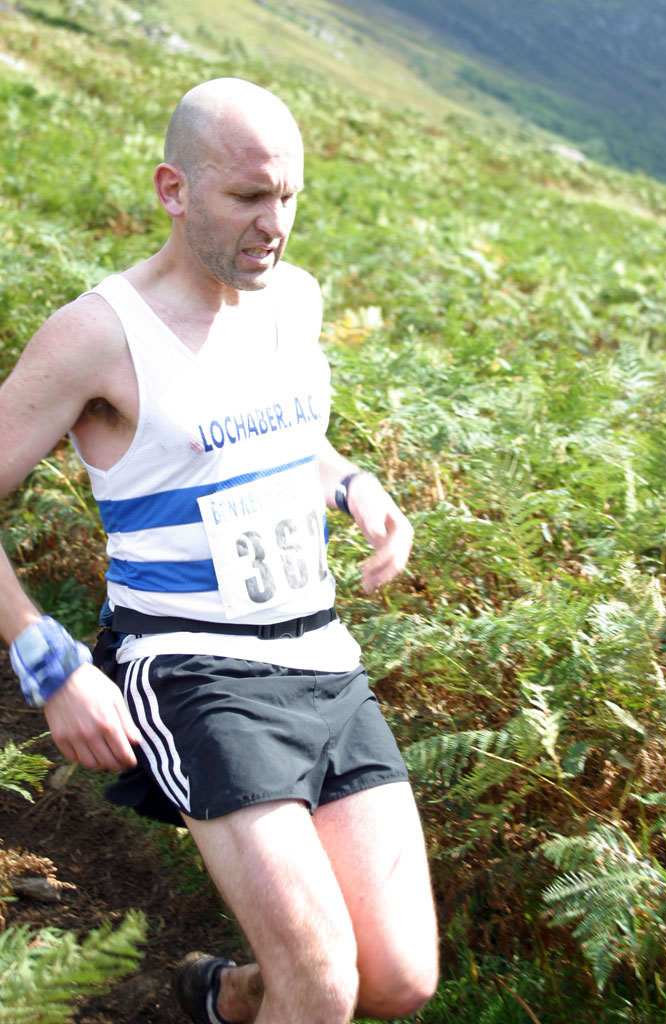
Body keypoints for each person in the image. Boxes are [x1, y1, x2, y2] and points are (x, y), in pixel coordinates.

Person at [0, 78, 439, 1024]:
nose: (273, 224)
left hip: (321, 656)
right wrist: (49, 661)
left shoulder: (295, 300)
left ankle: (225, 996)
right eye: (247, 197)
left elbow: (279, 440)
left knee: (399, 981)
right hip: (193, 667)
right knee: (323, 987)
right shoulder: (98, 335)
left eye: (287, 197)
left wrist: (353, 486)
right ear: (174, 189)